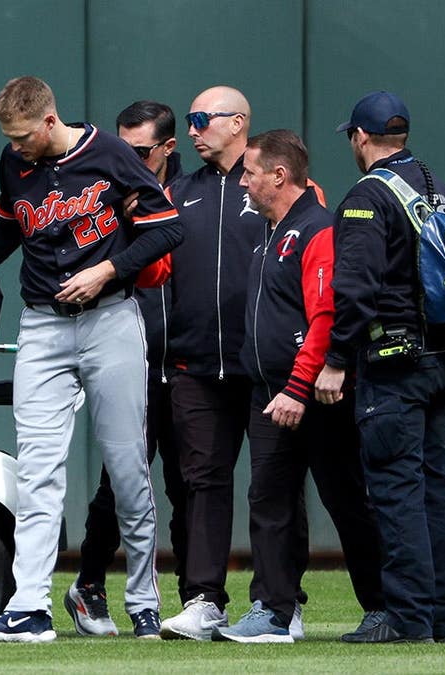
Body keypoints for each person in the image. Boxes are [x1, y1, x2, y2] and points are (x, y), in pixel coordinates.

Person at [0, 76, 182, 643]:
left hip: (111, 318)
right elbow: (10, 224)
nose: (16, 145)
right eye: (9, 137)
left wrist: (106, 269)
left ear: (50, 120)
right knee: (38, 473)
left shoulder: (109, 152)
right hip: (44, 325)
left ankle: (143, 600)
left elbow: (167, 229)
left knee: (127, 470)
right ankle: (30, 609)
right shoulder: (13, 161)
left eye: (23, 135)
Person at [209, 130, 386, 643]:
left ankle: (383, 606)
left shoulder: (316, 228)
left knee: (347, 501)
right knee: (268, 499)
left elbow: (325, 316)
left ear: (279, 176)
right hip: (268, 391)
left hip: (313, 395)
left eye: (250, 173)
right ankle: (273, 611)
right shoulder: (273, 228)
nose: (242, 182)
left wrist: (298, 385)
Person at [316, 91, 445, 644]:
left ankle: (408, 620)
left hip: (391, 365)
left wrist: (335, 362)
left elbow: (355, 290)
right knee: (435, 488)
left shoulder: (366, 197)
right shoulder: (437, 189)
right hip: (442, 359)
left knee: (397, 492)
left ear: (359, 138)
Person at [158, 85, 298, 641]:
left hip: (263, 366)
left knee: (274, 486)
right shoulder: (177, 190)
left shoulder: (275, 184)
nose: (192, 130)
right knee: (202, 483)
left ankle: (281, 601)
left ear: (238, 122)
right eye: (190, 120)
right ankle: (203, 600)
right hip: (194, 365)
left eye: (201, 119)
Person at [64, 100, 189, 637]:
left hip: (187, 363)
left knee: (189, 485)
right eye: (122, 148)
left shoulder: (198, 194)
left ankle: (195, 597)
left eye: (140, 151)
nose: (129, 159)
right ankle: (89, 584)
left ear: (167, 148)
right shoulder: (106, 187)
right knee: (118, 483)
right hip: (125, 356)